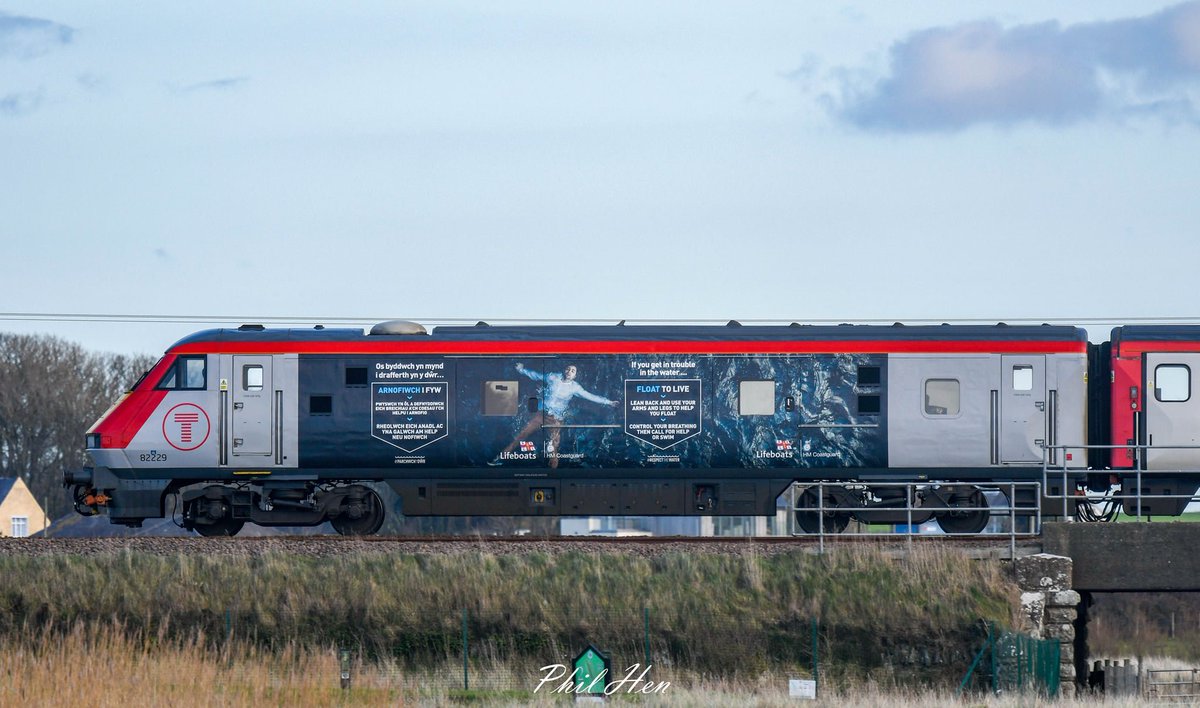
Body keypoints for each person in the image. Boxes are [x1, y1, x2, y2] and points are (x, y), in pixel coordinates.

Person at [490, 363, 619, 468]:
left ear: (575, 376)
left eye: (573, 371)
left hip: (556, 419)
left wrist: (608, 402)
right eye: (568, 369)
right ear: (564, 370)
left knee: (552, 448)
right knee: (521, 435)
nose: (569, 371)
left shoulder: (575, 388)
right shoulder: (553, 377)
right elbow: (536, 376)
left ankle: (552, 474)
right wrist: (522, 369)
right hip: (541, 414)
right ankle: (499, 458)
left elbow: (590, 396)